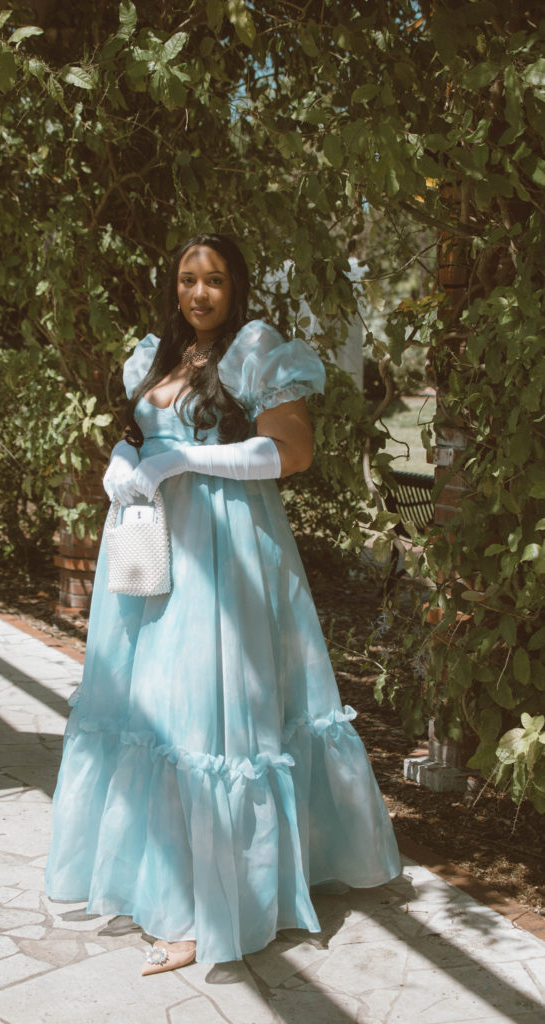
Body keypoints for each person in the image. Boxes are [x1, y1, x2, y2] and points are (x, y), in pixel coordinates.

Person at [45, 233, 400, 976]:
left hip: (224, 553)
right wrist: (123, 458)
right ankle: (160, 884)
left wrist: (185, 458)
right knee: (148, 707)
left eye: (212, 279)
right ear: (172, 287)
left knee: (205, 715)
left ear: (236, 285)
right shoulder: (155, 355)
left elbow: (290, 453)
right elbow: (130, 425)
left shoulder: (257, 351)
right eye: (186, 279)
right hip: (150, 544)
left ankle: (205, 910)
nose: (198, 293)